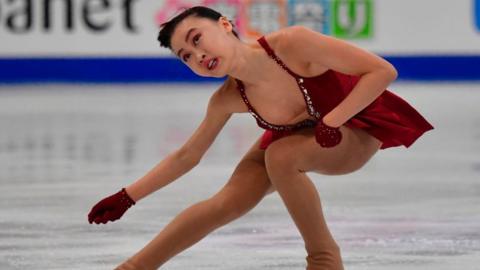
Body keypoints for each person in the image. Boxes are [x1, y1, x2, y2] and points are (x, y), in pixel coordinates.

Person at [87, 6, 434, 270]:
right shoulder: (227, 98)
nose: (198, 56)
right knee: (228, 201)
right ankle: (134, 267)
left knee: (281, 156)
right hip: (293, 137)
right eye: (186, 57)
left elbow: (382, 71)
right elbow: (187, 155)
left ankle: (324, 259)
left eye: (196, 39)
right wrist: (128, 196)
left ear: (225, 24)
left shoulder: (294, 44)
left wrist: (333, 120)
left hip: (357, 128)